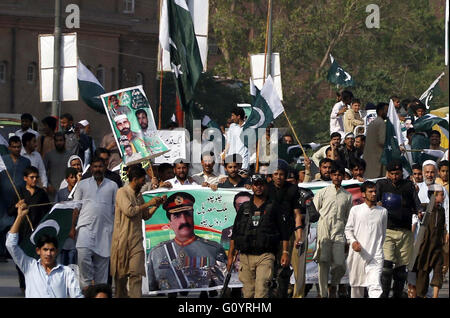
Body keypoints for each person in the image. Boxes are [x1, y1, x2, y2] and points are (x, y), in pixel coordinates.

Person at [147, 192, 227, 291]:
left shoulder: (213, 249)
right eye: (176, 216)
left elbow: (224, 285)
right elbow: (151, 288)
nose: (184, 220)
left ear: (193, 217)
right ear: (170, 223)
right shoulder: (156, 253)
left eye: (188, 214)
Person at [227, 175, 291, 298]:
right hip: (245, 256)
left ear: (265, 186)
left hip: (265, 255)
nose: (258, 187)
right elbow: (235, 233)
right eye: (256, 184)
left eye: (261, 184)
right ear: (252, 186)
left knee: (262, 290)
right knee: (248, 293)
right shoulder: (244, 208)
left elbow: (284, 232)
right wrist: (230, 256)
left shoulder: (273, 206)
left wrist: (285, 252)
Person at [6, 202, 83, 298]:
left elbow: (77, 295)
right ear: (38, 251)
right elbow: (10, 244)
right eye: (45, 250)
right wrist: (19, 217)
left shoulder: (66, 272)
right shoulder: (29, 266)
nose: (48, 253)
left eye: (52, 250)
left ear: (57, 251)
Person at [111, 165, 166, 298]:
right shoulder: (122, 192)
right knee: (121, 279)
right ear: (135, 179)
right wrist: (149, 203)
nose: (144, 183)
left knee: (136, 275)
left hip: (136, 242)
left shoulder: (139, 195)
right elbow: (130, 211)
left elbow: (145, 215)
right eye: (142, 180)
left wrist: (156, 205)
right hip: (121, 242)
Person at [376, 160, 420, 298]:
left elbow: (416, 203)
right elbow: (372, 200)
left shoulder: (408, 186)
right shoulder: (381, 185)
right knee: (386, 267)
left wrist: (419, 211)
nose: (395, 176)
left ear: (402, 172)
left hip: (405, 231)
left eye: (398, 173)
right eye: (392, 174)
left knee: (401, 270)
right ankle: (384, 294)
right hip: (387, 230)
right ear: (387, 173)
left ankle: (398, 294)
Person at [73, 157, 118, 290]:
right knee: (83, 256)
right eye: (95, 166)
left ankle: (99, 292)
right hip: (85, 228)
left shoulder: (112, 185)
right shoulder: (82, 184)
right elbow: (76, 207)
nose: (98, 169)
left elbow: (116, 209)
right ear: (91, 168)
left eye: (100, 166)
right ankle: (86, 288)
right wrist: (71, 227)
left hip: (105, 230)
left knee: (102, 266)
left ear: (105, 167)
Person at [8, 166, 50, 293]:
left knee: (37, 259)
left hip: (37, 232)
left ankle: (37, 285)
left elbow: (47, 211)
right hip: (22, 231)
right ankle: (23, 286)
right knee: (21, 260)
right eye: (32, 177)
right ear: (25, 178)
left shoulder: (41, 193)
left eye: (36, 177)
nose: (34, 180)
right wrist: (17, 206)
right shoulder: (18, 192)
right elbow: (9, 212)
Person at [313, 163, 353, 298]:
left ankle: (334, 285)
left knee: (340, 264)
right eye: (334, 174)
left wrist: (348, 237)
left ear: (342, 177)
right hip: (324, 229)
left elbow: (348, 218)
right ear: (331, 176)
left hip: (339, 230)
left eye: (339, 175)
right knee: (323, 263)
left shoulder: (347, 196)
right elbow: (313, 213)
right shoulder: (322, 193)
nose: (337, 177)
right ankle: (324, 293)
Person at [266, 160, 303, 298]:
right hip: (270, 232)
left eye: (281, 174)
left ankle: (283, 293)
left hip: (287, 232)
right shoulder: (266, 188)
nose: (279, 177)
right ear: (271, 175)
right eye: (276, 174)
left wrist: (299, 235)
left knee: (284, 267)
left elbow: (297, 213)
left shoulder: (292, 189)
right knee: (269, 266)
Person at [344, 181, 388, 298]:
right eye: (370, 192)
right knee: (356, 287)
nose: (374, 194)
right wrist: (353, 242)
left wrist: (377, 248)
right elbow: (348, 230)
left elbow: (382, 234)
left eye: (375, 191)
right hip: (358, 254)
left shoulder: (383, 212)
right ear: (363, 194)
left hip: (375, 255)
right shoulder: (355, 210)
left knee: (375, 286)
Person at [413, 184, 447, 298]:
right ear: (434, 196)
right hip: (425, 246)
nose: (443, 197)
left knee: (438, 271)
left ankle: (435, 296)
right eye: (441, 195)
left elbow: (442, 227)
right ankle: (420, 295)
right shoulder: (424, 208)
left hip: (437, 246)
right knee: (423, 271)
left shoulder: (442, 210)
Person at [0, 136, 31, 262]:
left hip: (18, 198)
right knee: (2, 223)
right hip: (2, 197)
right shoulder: (3, 160)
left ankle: (13, 251)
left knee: (16, 222)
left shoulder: (25, 162)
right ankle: (1, 252)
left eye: (19, 147)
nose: (17, 149)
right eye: (14, 147)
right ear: (9, 148)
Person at [55, 167, 80, 266]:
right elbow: (57, 211)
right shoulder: (61, 193)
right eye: (71, 177)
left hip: (76, 230)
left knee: (72, 262)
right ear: (66, 179)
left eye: (75, 177)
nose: (74, 179)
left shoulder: (80, 192)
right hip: (63, 230)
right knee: (62, 260)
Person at [43, 132, 73, 199]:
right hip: (52, 190)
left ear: (64, 141)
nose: (59, 143)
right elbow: (43, 172)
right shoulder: (48, 155)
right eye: (56, 140)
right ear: (54, 142)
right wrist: (48, 185)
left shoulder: (71, 155)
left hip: (67, 189)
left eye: (61, 140)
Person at [363, 102, 389, 178]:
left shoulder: (373, 123)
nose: (388, 113)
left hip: (370, 161)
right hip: (377, 162)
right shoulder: (381, 123)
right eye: (386, 111)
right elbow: (382, 141)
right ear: (381, 111)